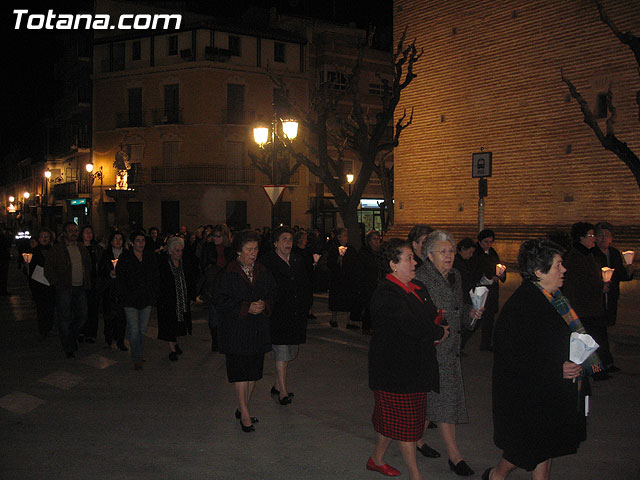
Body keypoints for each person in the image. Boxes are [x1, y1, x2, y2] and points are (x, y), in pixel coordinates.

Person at [483, 238, 597, 480]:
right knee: (526, 448)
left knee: (545, 446)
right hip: (529, 397)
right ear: (538, 271)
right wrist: (556, 368)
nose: (563, 269)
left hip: (548, 393)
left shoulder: (554, 298)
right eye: (557, 265)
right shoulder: (522, 306)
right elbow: (513, 357)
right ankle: (496, 475)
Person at [367, 238, 449, 480]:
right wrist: (436, 332)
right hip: (395, 371)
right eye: (409, 258)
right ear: (393, 264)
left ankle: (376, 459)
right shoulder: (386, 294)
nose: (415, 262)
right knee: (407, 428)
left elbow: (431, 316)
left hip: (416, 366)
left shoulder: (418, 288)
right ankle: (416, 475)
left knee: (396, 420)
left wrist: (439, 326)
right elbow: (409, 326)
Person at [415, 231, 483, 476]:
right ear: (429, 255)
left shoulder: (455, 276)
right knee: (445, 402)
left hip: (452, 348)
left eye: (451, 251)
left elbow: (459, 309)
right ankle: (455, 456)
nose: (449, 256)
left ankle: (414, 439)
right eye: (443, 252)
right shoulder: (420, 278)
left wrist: (471, 314)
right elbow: (416, 315)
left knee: (434, 400)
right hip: (431, 349)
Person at [213, 230, 276, 432]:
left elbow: (272, 293)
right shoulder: (229, 272)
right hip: (236, 330)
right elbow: (219, 300)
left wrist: (264, 304)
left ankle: (243, 407)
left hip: (256, 329)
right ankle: (245, 415)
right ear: (239, 251)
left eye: (256, 248)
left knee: (253, 372)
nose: (253, 253)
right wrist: (245, 307)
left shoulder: (261, 270)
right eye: (249, 249)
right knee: (240, 372)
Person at [261, 226, 312, 405]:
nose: (288, 243)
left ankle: (276, 385)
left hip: (295, 313)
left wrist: (306, 305)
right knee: (281, 352)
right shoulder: (268, 261)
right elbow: (265, 287)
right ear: (275, 243)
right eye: (284, 239)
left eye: (290, 240)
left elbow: (305, 283)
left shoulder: (297, 259)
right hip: (278, 314)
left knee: (290, 351)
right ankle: (282, 391)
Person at [562, 222, 610, 380]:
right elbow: (576, 284)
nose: (594, 239)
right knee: (586, 341)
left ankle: (600, 368)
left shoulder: (588, 254)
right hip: (582, 308)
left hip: (592, 306)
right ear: (581, 237)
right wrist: (597, 287)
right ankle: (593, 370)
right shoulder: (575, 256)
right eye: (590, 236)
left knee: (597, 338)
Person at [591, 221, 634, 373]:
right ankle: (601, 363)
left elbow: (621, 275)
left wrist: (629, 271)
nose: (603, 238)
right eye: (600, 235)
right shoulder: (592, 254)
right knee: (599, 331)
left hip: (611, 297)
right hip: (598, 299)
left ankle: (607, 362)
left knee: (605, 329)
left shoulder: (614, 253)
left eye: (606, 236)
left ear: (611, 239)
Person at [44, 222, 91, 358]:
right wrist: (57, 283)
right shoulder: (57, 249)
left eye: (75, 230)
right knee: (65, 317)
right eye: (70, 231)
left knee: (82, 316)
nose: (73, 233)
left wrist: (86, 279)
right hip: (65, 288)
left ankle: (72, 337)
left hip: (80, 287)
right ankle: (68, 346)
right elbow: (49, 268)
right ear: (64, 233)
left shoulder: (81, 247)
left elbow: (87, 264)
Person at [116, 231, 159, 370]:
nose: (140, 243)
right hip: (130, 300)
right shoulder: (125, 258)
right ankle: (137, 357)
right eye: (138, 240)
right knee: (134, 329)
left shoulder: (150, 257)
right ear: (132, 243)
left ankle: (139, 352)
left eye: (142, 240)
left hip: (145, 299)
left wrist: (152, 294)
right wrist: (123, 295)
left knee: (142, 330)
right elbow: (121, 279)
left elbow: (154, 277)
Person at [157, 236, 196, 361]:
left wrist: (191, 295)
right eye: (177, 251)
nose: (180, 253)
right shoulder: (163, 263)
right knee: (169, 324)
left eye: (181, 250)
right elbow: (160, 282)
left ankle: (175, 343)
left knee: (179, 324)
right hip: (168, 301)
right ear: (171, 251)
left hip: (181, 301)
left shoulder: (185, 263)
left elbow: (190, 279)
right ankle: (172, 349)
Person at [199, 224, 235, 351]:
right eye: (214, 235)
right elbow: (203, 265)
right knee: (214, 316)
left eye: (218, 236)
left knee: (226, 316)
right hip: (212, 285)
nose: (215, 238)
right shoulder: (208, 248)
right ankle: (216, 341)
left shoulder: (230, 250)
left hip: (226, 286)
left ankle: (224, 340)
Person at [471, 229, 506, 351]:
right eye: (486, 242)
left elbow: (498, 265)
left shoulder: (492, 252)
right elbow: (475, 271)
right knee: (477, 319)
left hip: (492, 291)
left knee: (489, 318)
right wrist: (489, 278)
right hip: (481, 290)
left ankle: (486, 343)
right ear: (480, 241)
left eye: (491, 242)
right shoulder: (475, 253)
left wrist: (501, 274)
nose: (488, 245)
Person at [98, 231, 127, 351]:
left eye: (120, 239)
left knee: (122, 317)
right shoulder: (106, 254)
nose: (118, 241)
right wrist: (109, 273)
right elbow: (101, 271)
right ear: (111, 241)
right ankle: (108, 340)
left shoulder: (126, 255)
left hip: (122, 289)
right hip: (109, 289)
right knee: (109, 316)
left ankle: (120, 341)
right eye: (115, 238)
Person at [327, 227, 358, 329]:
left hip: (348, 278)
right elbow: (330, 264)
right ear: (339, 237)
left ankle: (350, 321)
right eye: (344, 235)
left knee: (349, 299)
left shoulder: (351, 248)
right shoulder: (333, 248)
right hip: (337, 278)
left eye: (346, 235)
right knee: (336, 298)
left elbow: (354, 262)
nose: (346, 238)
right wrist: (338, 260)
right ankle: (334, 318)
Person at [28, 228, 56, 340]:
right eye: (42, 236)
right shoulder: (34, 251)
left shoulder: (53, 250)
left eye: (46, 236)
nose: (44, 239)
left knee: (50, 307)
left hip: (50, 283)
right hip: (39, 284)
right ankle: (43, 328)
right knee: (41, 307)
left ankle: (49, 327)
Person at [354, 230, 383, 335]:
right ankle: (367, 326)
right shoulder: (364, 253)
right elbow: (360, 270)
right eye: (374, 239)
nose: (377, 241)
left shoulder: (380, 253)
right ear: (369, 241)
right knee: (369, 306)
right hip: (368, 284)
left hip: (379, 283)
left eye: (378, 238)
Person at [79, 225, 102, 344]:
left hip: (94, 282)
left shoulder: (97, 249)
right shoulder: (78, 247)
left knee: (93, 309)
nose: (89, 234)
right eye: (86, 232)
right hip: (81, 282)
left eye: (90, 232)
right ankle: (81, 331)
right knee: (81, 308)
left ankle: (91, 333)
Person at [455, 237, 477, 352]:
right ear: (462, 249)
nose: (471, 255)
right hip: (463, 297)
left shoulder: (466, 262)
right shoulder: (456, 264)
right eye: (469, 252)